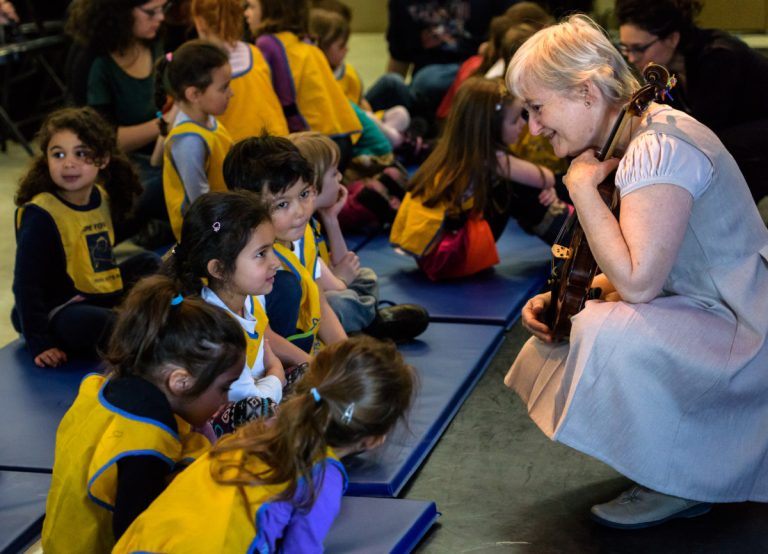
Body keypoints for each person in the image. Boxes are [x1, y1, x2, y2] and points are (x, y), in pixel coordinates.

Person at [504, 14, 768, 529]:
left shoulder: (657, 146)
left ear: (584, 91)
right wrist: (572, 297)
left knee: (604, 331)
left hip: (747, 330)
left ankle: (683, 476)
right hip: (719, 306)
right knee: (566, 326)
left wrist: (580, 190)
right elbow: (663, 268)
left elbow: (642, 283)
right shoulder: (637, 137)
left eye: (537, 108)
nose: (534, 127)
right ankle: (679, 464)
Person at [112, 336, 416, 552]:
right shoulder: (323, 475)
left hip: (137, 543)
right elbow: (302, 548)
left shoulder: (258, 429)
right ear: (374, 437)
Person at [41, 274, 245, 552]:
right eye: (224, 388)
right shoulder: (146, 446)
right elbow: (136, 540)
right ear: (180, 381)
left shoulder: (112, 383)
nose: (226, 398)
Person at [12, 107, 158, 368]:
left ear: (102, 159)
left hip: (97, 292)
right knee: (95, 323)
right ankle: (147, 336)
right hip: (60, 308)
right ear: (46, 159)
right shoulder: (41, 215)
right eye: (58, 154)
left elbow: (98, 259)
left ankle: (150, 323)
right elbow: (26, 285)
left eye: (81, 154)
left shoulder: (100, 197)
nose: (68, 163)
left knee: (149, 263)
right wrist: (40, 342)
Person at [390, 77, 569, 279]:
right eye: (515, 120)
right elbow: (546, 178)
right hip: (449, 256)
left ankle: (570, 231)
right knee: (521, 188)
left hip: (431, 253)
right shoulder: (492, 160)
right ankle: (572, 241)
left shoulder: (454, 150)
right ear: (490, 128)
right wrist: (548, 186)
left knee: (525, 184)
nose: (523, 125)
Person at [165, 191, 312, 435]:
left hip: (263, 388)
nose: (275, 262)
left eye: (272, 249)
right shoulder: (212, 326)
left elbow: (265, 336)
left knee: (315, 377)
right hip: (223, 414)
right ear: (219, 269)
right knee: (260, 410)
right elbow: (247, 396)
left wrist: (314, 365)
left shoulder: (250, 295)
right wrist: (276, 372)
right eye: (261, 254)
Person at [615, 0, 768, 203]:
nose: (632, 58)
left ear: (672, 38)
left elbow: (703, 134)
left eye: (639, 49)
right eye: (625, 48)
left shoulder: (719, 57)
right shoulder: (671, 69)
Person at [288, 131, 430, 340]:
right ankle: (373, 325)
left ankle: (364, 322)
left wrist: (331, 219)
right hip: (313, 310)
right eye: (334, 173)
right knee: (340, 302)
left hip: (331, 287)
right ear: (314, 185)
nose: (340, 178)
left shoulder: (312, 221)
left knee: (366, 277)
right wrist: (341, 278)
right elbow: (335, 285)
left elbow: (342, 263)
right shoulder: (296, 230)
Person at [224, 134, 348, 353]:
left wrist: (346, 352)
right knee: (287, 287)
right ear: (249, 207)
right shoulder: (247, 258)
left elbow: (318, 300)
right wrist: (309, 364)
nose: (300, 212)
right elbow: (262, 337)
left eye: (304, 194)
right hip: (254, 357)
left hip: (296, 338)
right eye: (282, 204)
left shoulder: (305, 234)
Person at [65, 0, 174, 231]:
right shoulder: (93, 61)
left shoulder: (156, 41)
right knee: (171, 186)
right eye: (151, 12)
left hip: (160, 151)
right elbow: (102, 140)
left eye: (163, 8)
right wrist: (166, 121)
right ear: (120, 12)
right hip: (114, 166)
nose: (161, 17)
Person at [365, 0, 515, 131]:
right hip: (424, 96)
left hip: (477, 84)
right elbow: (399, 57)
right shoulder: (404, 4)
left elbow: (519, 27)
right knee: (391, 83)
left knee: (428, 80)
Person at [248, 0, 361, 169]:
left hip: (314, 146)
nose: (246, 13)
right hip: (340, 139)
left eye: (251, 7)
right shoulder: (304, 40)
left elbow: (272, 101)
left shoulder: (267, 43)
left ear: (271, 10)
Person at [155, 39, 234, 240]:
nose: (231, 93)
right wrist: (229, 236)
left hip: (226, 215)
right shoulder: (189, 141)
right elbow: (202, 204)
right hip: (207, 235)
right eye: (224, 88)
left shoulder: (206, 118)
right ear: (193, 94)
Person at [190, 0, 289, 140]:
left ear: (200, 21)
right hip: (278, 141)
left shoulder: (195, 64)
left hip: (237, 151)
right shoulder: (255, 53)